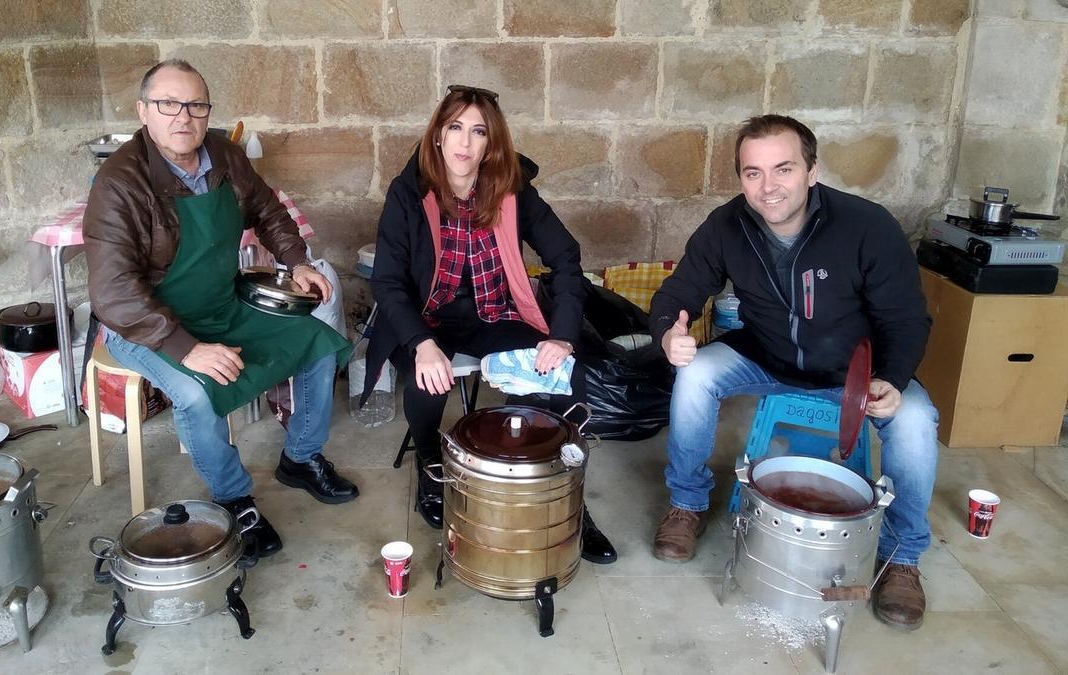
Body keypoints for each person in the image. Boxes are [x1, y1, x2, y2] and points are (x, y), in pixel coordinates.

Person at [649, 114, 938, 630]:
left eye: (783, 169)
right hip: (764, 355)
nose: (768, 187)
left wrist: (891, 378)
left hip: (854, 373)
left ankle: (902, 557)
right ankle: (686, 504)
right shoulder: (727, 225)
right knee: (695, 374)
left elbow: (906, 318)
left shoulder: (867, 226)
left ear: (812, 170)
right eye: (752, 173)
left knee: (915, 419)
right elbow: (678, 294)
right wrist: (671, 334)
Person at [83, 59, 358, 564]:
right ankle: (233, 497)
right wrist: (185, 348)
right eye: (167, 104)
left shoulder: (225, 157)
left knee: (318, 342)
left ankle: (300, 457)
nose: (182, 117)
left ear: (208, 113)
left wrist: (296, 261)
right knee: (195, 394)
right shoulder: (119, 183)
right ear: (144, 111)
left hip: (220, 303)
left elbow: (268, 210)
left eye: (195, 105)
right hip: (145, 325)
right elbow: (114, 291)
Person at [364, 85, 616, 565]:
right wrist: (420, 343)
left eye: (478, 132)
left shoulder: (511, 189)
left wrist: (560, 335)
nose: (465, 142)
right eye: (455, 127)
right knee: (428, 382)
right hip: (425, 318)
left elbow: (565, 257)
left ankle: (562, 495)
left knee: (560, 377)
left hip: (491, 314)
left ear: (491, 143)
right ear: (438, 135)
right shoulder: (408, 192)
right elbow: (388, 282)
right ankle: (431, 460)